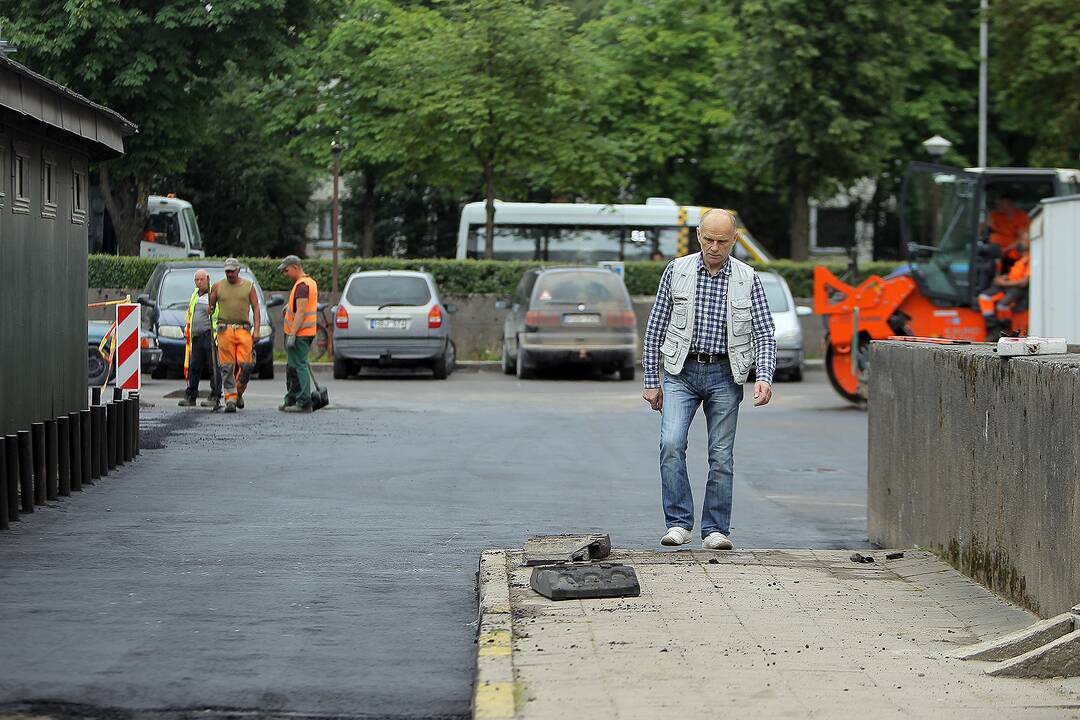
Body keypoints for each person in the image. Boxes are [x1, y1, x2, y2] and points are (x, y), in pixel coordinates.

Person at [641, 208, 776, 551]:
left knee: (721, 455)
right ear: (698, 235)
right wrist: (650, 380)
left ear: (734, 240)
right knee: (671, 444)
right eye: (709, 239)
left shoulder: (748, 277)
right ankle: (678, 523)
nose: (715, 247)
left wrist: (764, 376)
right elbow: (655, 326)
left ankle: (715, 529)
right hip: (679, 371)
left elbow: (764, 333)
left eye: (723, 241)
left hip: (725, 374)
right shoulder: (677, 270)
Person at [208, 258, 260, 413]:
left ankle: (238, 392)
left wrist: (256, 330)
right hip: (225, 330)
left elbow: (256, 308)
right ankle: (230, 398)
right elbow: (210, 307)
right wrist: (209, 308)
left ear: (238, 270)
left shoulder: (248, 286)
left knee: (247, 365)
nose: (230, 274)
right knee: (227, 366)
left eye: (232, 271)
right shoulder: (218, 286)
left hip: (243, 330)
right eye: (227, 271)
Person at [277, 255, 319, 413]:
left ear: (295, 267)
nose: (285, 274)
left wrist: (292, 334)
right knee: (293, 367)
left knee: (299, 367)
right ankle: (292, 398)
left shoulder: (302, 286)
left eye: (286, 270)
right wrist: (288, 308)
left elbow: (301, 312)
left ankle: (303, 401)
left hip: (300, 334)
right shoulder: (309, 283)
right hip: (304, 332)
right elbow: (299, 307)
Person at [178, 269, 222, 409]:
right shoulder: (195, 295)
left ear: (207, 279)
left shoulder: (213, 294)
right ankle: (191, 395)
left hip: (209, 335)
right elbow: (190, 314)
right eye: (196, 280)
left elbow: (218, 314)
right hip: (196, 337)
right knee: (194, 367)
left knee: (213, 367)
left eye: (201, 279)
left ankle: (215, 395)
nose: (199, 282)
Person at [978, 234, 1030, 333]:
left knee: (1002, 306)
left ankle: (1004, 330)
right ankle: (992, 327)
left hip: (1016, 289)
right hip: (1008, 286)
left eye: (1024, 240)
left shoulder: (1030, 260)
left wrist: (1004, 283)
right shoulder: (1020, 259)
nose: (1021, 242)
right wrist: (1003, 278)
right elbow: (1014, 274)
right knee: (984, 297)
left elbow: (1023, 282)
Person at [985, 195, 1029, 263]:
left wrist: (1006, 249)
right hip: (994, 252)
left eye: (1002, 203)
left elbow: (1023, 237)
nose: (999, 205)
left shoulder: (1021, 216)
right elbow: (986, 227)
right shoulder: (994, 214)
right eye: (999, 203)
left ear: (1010, 204)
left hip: (1013, 253)